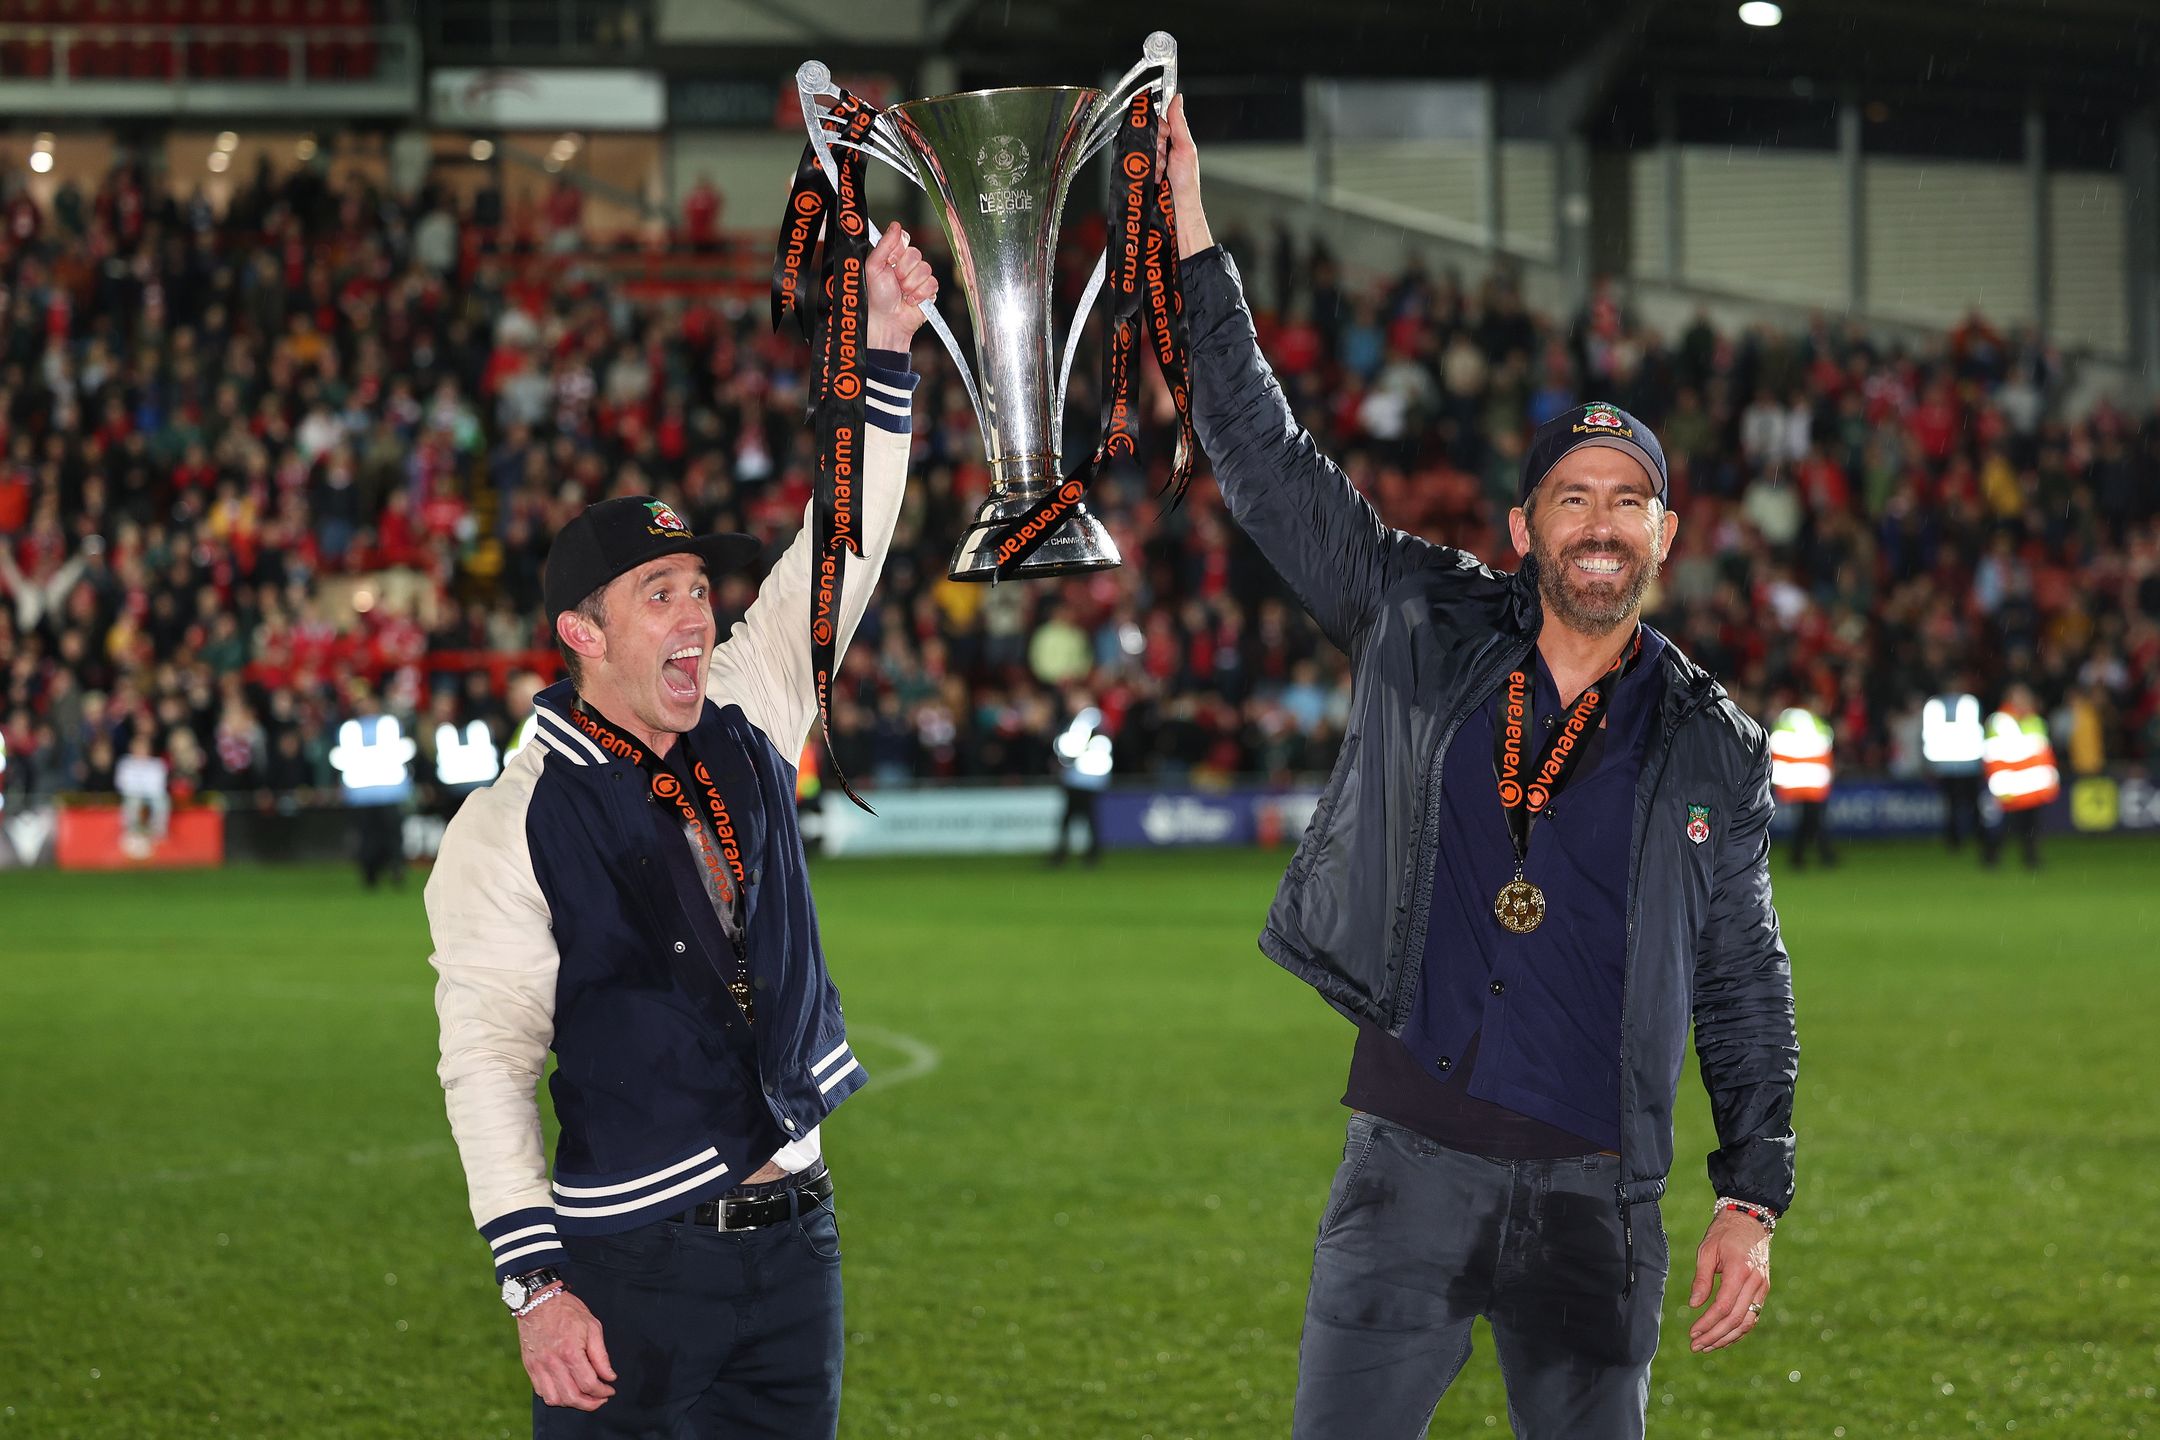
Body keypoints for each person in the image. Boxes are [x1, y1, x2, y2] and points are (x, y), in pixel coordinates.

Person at [1163, 98, 1798, 1440]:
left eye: (1628, 499)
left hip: (1594, 1197)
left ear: (1667, 533)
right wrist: (1192, 243)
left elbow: (1743, 976)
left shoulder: (1713, 746)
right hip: (1406, 1174)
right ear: (1524, 525)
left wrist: (1752, 1193)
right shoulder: (1421, 621)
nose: (1602, 523)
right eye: (1574, 496)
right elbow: (1270, 469)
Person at [425, 222, 936, 1438]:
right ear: (583, 636)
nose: (698, 613)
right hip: (632, 1264)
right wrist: (535, 1286)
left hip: (798, 1249)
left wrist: (883, 352)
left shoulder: (748, 707)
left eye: (701, 587)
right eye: (661, 596)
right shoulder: (508, 827)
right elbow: (488, 1064)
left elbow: (841, 555)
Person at [1982, 683, 2059, 870]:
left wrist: (2049, 779)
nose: (2024, 702)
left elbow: (2044, 753)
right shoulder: (2000, 721)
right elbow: (1993, 754)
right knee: (2005, 827)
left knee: (2031, 826)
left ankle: (2031, 858)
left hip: (2032, 785)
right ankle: (1991, 856)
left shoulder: (2035, 721)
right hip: (2011, 785)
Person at [1769, 699, 1836, 868]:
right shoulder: (1815, 724)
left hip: (1797, 783)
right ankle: (1822, 856)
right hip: (1811, 782)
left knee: (1808, 821)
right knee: (1814, 821)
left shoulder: (1787, 721)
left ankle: (1800, 857)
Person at [1047, 694, 1111, 866]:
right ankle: (1080, 854)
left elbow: (1072, 748)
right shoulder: (1088, 721)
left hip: (1085, 779)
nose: (1071, 703)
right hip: (1081, 779)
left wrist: (1064, 757)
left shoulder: (1087, 721)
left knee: (1080, 818)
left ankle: (1083, 855)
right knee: (1076, 818)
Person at [1922, 684, 1986, 851]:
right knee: (1962, 807)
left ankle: (1959, 841)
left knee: (1957, 807)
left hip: (1952, 767)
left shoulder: (1935, 705)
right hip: (1964, 766)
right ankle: (1969, 839)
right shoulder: (1970, 704)